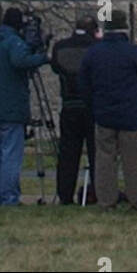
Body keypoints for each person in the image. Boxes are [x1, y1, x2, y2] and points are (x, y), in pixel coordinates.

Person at [78, 9, 137, 210]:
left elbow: (84, 84)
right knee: (134, 160)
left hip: (103, 112)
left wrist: (93, 106)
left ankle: (106, 200)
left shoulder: (93, 53)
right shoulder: (133, 52)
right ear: (125, 27)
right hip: (130, 114)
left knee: (104, 159)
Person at [0, 7, 48, 206]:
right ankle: (9, 198)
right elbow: (21, 62)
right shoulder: (13, 43)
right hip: (11, 108)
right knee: (11, 154)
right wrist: (42, 57)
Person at [50, 13, 98, 204]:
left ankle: (65, 194)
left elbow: (55, 67)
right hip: (92, 106)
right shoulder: (96, 48)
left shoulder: (61, 47)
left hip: (69, 106)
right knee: (97, 153)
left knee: (68, 154)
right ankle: (99, 193)